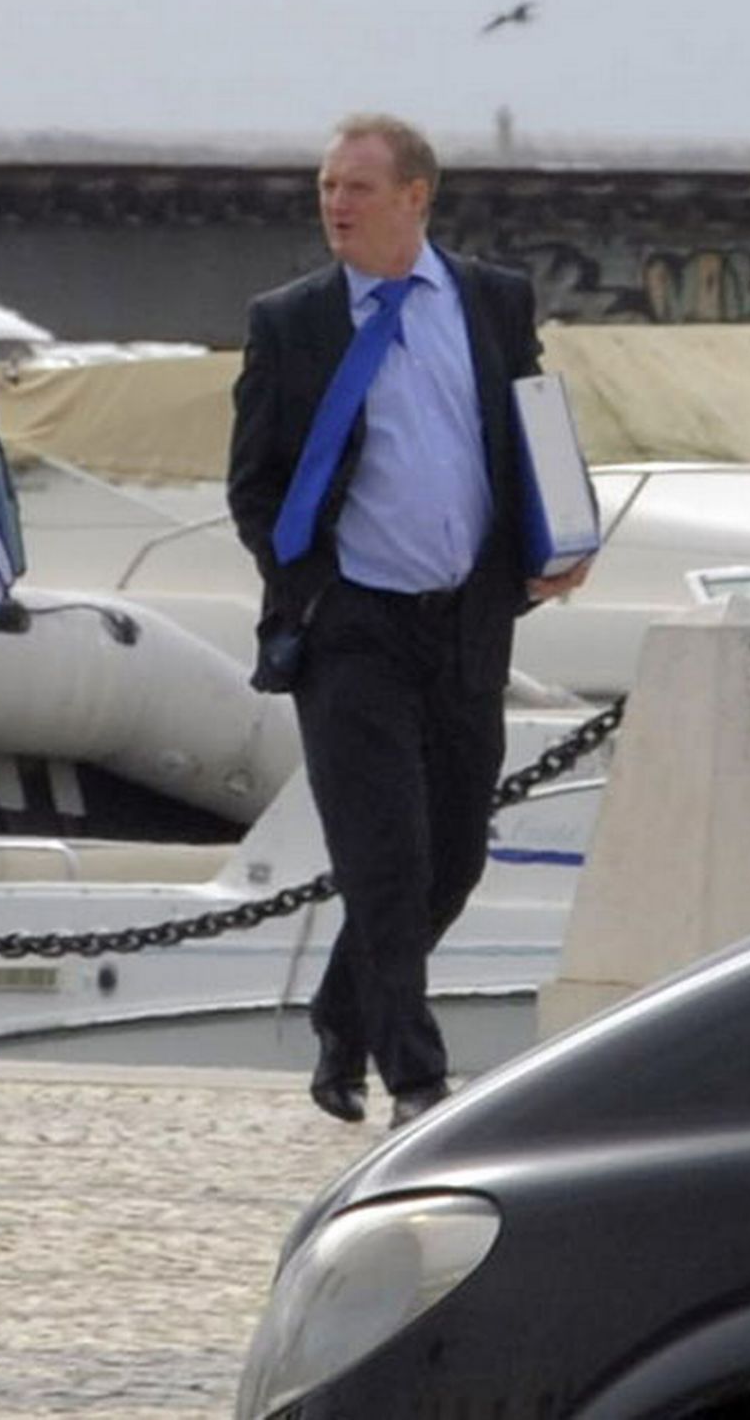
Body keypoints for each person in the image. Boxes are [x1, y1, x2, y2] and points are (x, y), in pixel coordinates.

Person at [225, 113, 591, 1130]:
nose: (336, 204)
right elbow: (252, 483)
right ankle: (416, 1077)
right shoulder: (291, 321)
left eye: (358, 188)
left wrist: (562, 530)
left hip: (466, 616)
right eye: (327, 187)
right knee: (383, 855)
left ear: (415, 198)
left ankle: (344, 1018)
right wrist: (306, 589)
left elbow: (532, 428)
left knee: (453, 856)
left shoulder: (489, 300)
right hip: (350, 627)